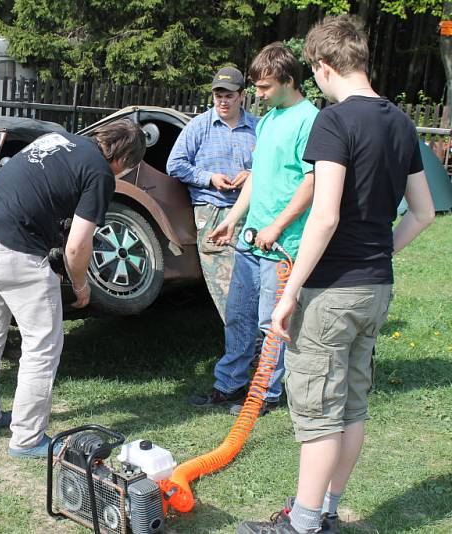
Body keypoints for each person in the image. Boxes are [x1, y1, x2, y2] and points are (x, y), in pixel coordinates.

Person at [237, 16, 435, 534]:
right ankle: (324, 509)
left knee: (319, 412)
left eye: (315, 73)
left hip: (331, 290)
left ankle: (302, 524)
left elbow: (323, 216)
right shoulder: (401, 122)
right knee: (350, 404)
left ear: (323, 68)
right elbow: (424, 213)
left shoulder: (334, 121)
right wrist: (379, 253)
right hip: (375, 286)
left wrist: (290, 293)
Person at [0, 120, 146, 458]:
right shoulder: (101, 174)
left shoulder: (58, 139)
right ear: (124, 160)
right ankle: (28, 438)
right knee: (42, 344)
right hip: (14, 245)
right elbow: (77, 246)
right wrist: (80, 283)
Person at [191, 43, 319, 415]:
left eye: (264, 88)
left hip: (282, 243)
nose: (258, 96)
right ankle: (229, 384)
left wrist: (277, 227)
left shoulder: (309, 120)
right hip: (251, 237)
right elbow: (257, 178)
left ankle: (266, 392)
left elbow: (311, 184)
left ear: (289, 80)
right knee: (239, 315)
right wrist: (232, 220)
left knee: (270, 320)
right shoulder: (269, 121)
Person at [166, 67, 259, 322]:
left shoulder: (258, 127)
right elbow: (175, 164)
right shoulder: (199, 126)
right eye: (218, 95)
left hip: (252, 213)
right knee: (226, 290)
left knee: (255, 283)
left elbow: (270, 166)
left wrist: (251, 174)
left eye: (229, 95)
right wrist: (209, 178)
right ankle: (245, 351)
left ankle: (261, 347)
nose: (223, 101)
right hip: (213, 213)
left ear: (242, 96)